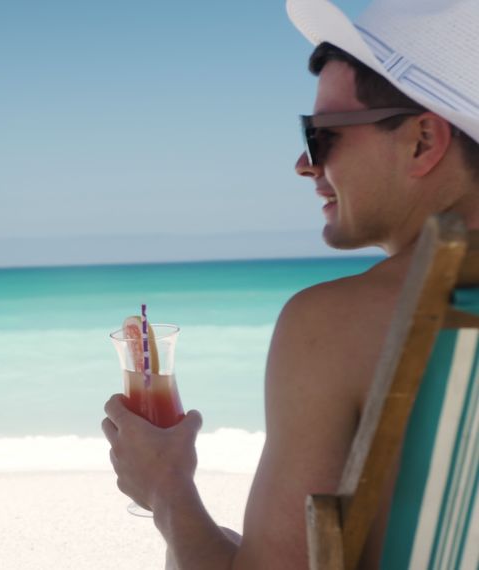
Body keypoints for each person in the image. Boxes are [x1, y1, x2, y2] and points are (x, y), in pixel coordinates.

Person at [100, 0, 479, 567]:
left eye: (321, 135)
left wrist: (166, 490)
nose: (303, 165)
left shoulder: (333, 324)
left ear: (423, 141)